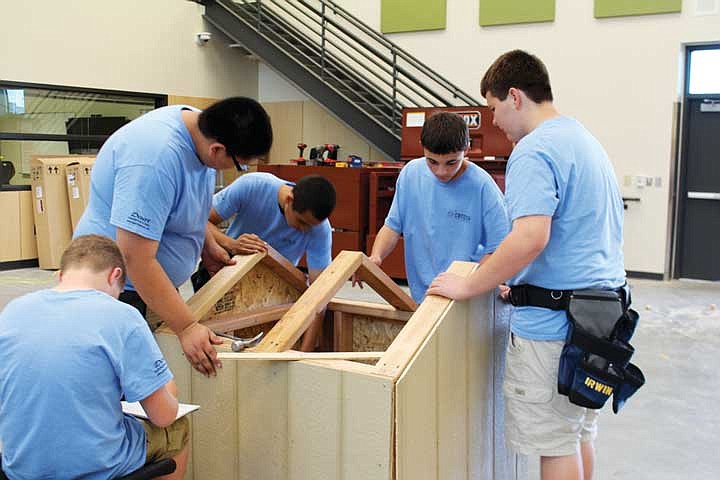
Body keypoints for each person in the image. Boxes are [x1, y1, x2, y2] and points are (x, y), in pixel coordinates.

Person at [428, 50, 627, 480]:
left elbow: (530, 237)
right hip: (599, 321)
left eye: (494, 107)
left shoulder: (534, 150)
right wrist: (513, 280)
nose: (494, 120)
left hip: (553, 330)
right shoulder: (583, 140)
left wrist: (471, 284)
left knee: (552, 445)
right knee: (576, 434)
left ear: (514, 96)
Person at [74, 97, 273, 377]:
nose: (235, 170)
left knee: (154, 369)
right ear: (217, 149)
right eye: (239, 165)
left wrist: (207, 244)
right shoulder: (154, 159)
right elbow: (134, 258)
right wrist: (187, 327)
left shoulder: (199, 129)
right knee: (115, 378)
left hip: (150, 282)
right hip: (116, 284)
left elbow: (180, 203)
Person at [0, 235, 189, 480]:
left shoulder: (13, 310)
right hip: (94, 467)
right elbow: (163, 416)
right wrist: (167, 388)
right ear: (115, 276)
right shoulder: (123, 316)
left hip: (21, 468)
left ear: (60, 275)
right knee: (177, 430)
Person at [364, 111, 509, 303]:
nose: (441, 171)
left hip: (467, 296)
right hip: (423, 295)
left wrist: (468, 283)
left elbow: (500, 251)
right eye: (432, 161)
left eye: (451, 162)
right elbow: (392, 226)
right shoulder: (410, 174)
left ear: (466, 149)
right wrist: (376, 257)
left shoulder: (483, 186)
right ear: (422, 148)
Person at [198, 172, 336, 351]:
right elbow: (200, 220)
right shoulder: (252, 186)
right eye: (301, 222)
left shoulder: (319, 230)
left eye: (310, 226)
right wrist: (231, 244)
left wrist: (303, 353)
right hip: (222, 273)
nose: (304, 230)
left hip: (273, 293)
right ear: (289, 200)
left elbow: (319, 295)